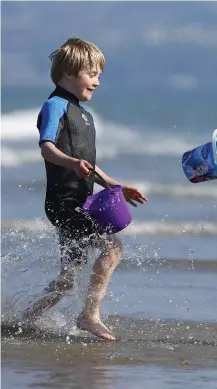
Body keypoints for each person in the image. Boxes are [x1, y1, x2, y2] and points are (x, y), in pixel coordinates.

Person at [23, 37, 148, 341]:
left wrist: (117, 186)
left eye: (99, 76)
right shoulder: (54, 106)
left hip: (81, 201)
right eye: (92, 75)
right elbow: (47, 148)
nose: (97, 82)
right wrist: (71, 162)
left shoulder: (86, 117)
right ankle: (89, 316)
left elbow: (89, 164)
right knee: (112, 247)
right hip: (63, 203)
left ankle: (27, 318)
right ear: (69, 73)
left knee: (67, 281)